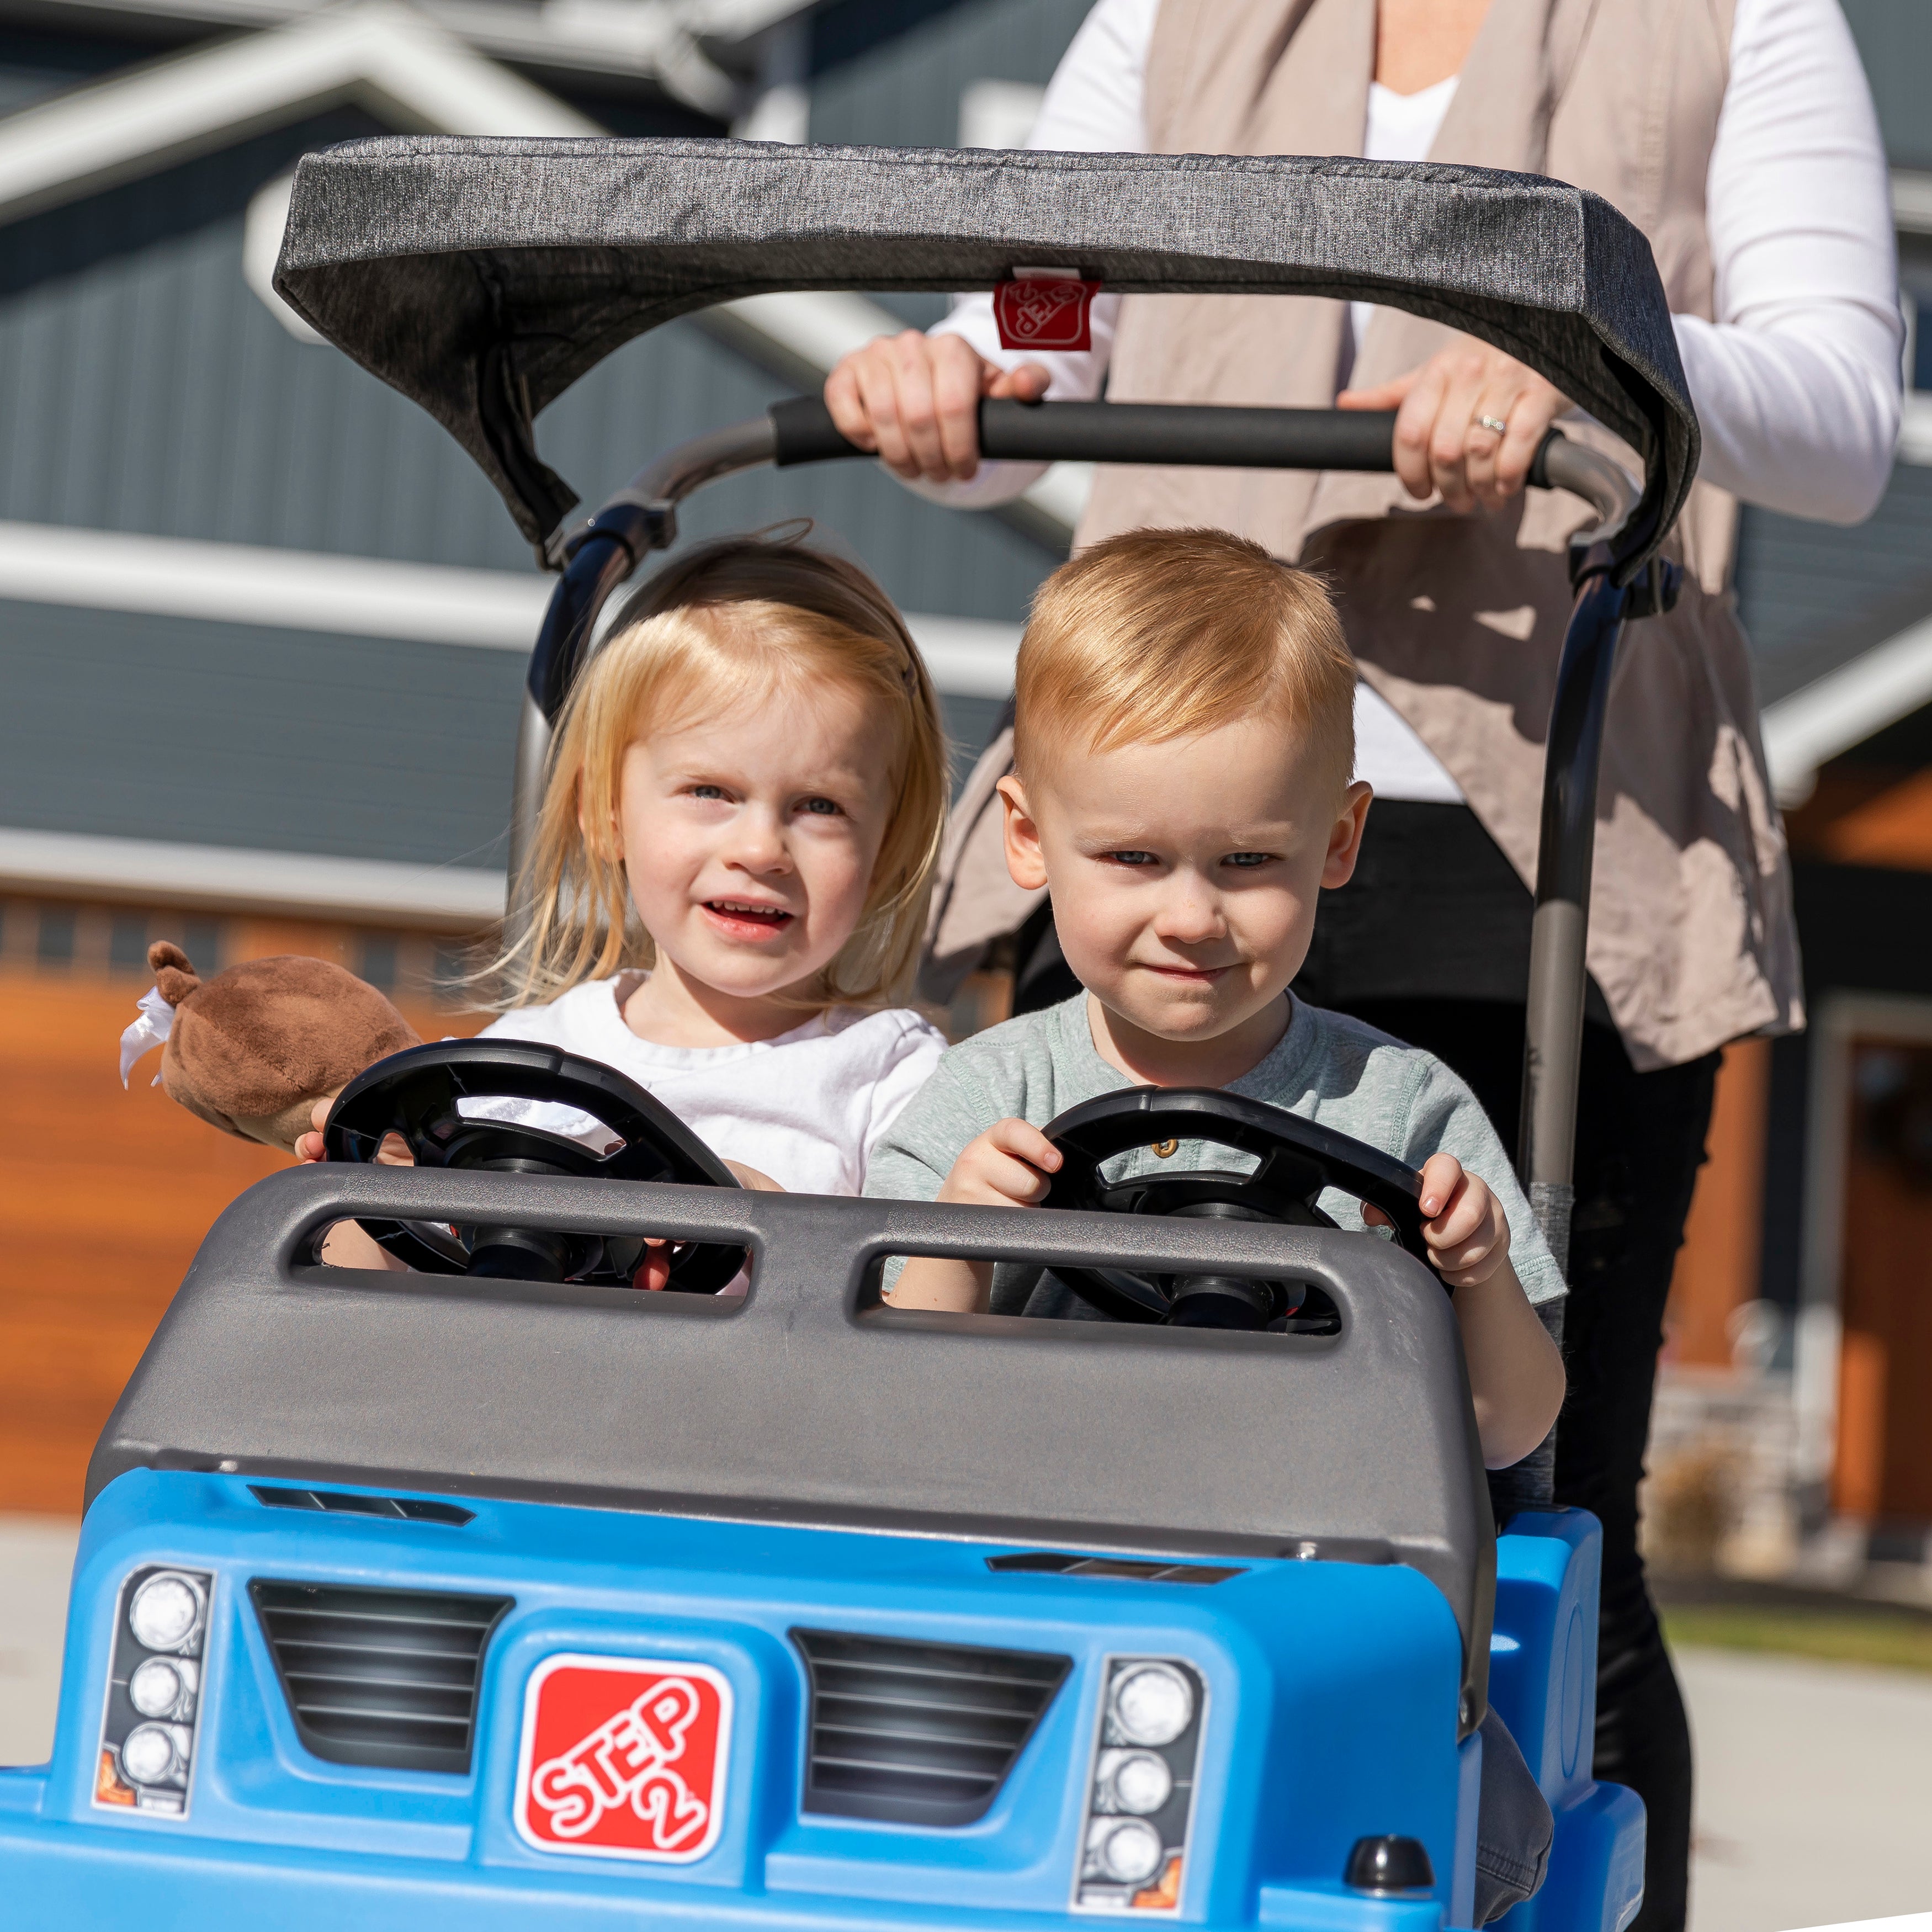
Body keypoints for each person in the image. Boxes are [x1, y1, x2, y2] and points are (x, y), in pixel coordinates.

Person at [827, 6, 1903, 1925]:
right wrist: (955, 381)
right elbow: (1047, 335)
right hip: (1176, 803)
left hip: (1557, 841)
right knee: (1063, 1439)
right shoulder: (1172, 20)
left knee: (1531, 1496)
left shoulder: (1735, 20)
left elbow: (1837, 423)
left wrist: (1585, 363)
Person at [869, 528, 1562, 1924]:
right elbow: (879, 1388)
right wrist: (958, 1238)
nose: (1192, 917)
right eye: (1131, 856)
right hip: (1026, 1598)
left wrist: (1475, 1273)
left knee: (1485, 1849)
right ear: (1025, 839)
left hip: (1325, 1614)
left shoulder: (1403, 1105)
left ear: (1341, 842)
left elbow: (1512, 1426)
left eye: (1249, 860)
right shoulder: (994, 1090)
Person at [297, 535, 951, 1218]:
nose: (761, 849)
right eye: (710, 791)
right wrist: (375, 1197)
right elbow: (378, 1292)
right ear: (605, 812)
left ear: (887, 849)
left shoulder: (892, 1081)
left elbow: (919, 1305)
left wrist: (772, 1223)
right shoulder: (518, 1061)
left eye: (820, 806)